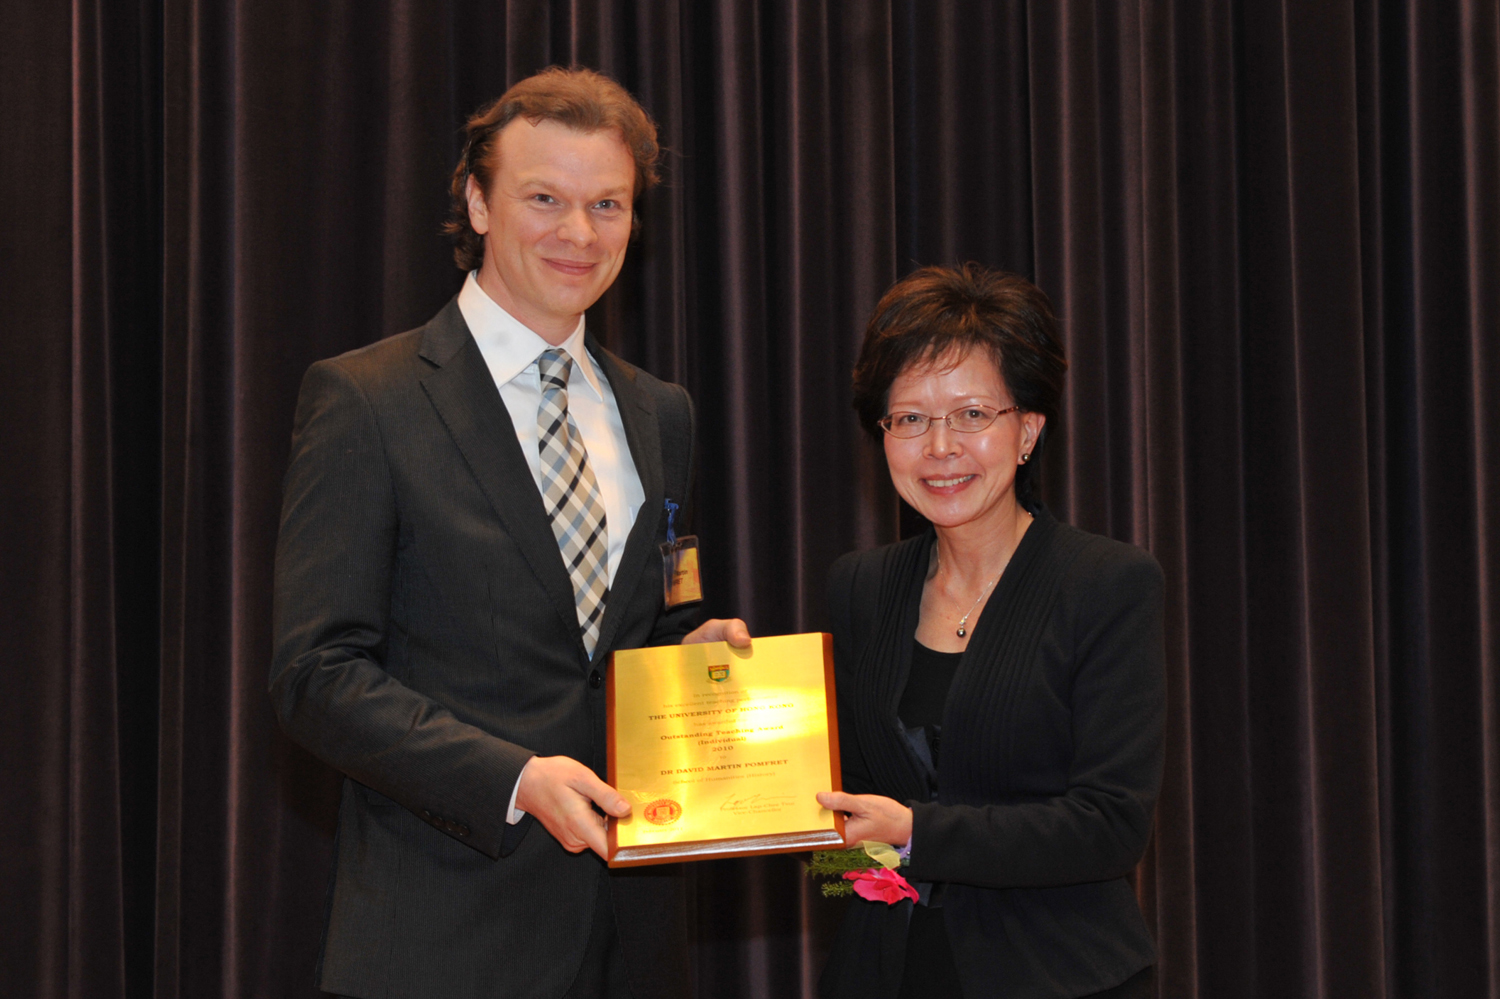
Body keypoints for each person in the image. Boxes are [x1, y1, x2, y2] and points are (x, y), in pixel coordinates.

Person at [271, 67, 746, 999]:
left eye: (607, 204)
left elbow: (646, 621)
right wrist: (515, 779)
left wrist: (686, 657)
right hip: (444, 943)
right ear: (478, 204)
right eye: (545, 199)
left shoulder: (663, 412)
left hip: (633, 943)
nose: (580, 233)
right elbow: (315, 675)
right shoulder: (367, 399)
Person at [816, 264, 1165, 999]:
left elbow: (1110, 826)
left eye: (972, 414)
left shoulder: (1106, 583)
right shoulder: (860, 587)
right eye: (910, 419)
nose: (940, 446)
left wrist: (915, 833)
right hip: (886, 974)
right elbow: (836, 834)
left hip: (1060, 975)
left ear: (1028, 430)